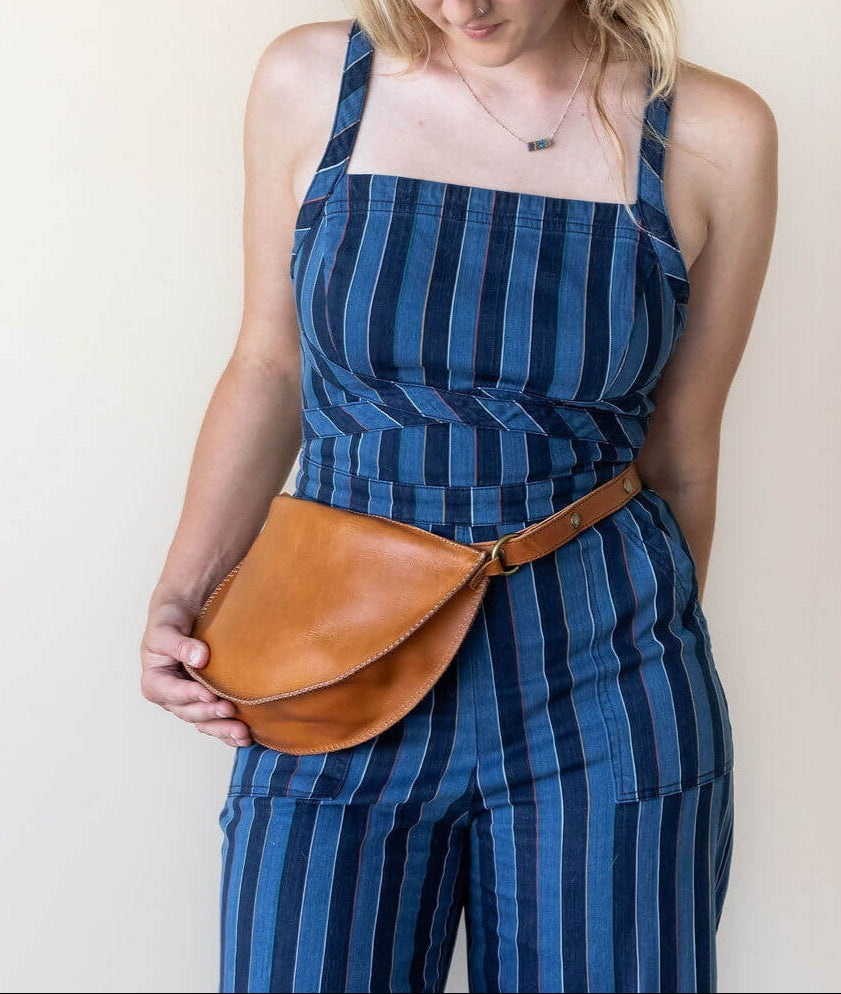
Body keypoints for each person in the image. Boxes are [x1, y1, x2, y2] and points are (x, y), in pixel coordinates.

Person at [140, 2, 776, 990]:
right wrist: (180, 595)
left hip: (606, 686)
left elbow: (684, 451)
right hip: (330, 660)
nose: (462, 7)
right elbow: (270, 366)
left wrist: (629, 645)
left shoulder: (713, 135)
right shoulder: (311, 82)